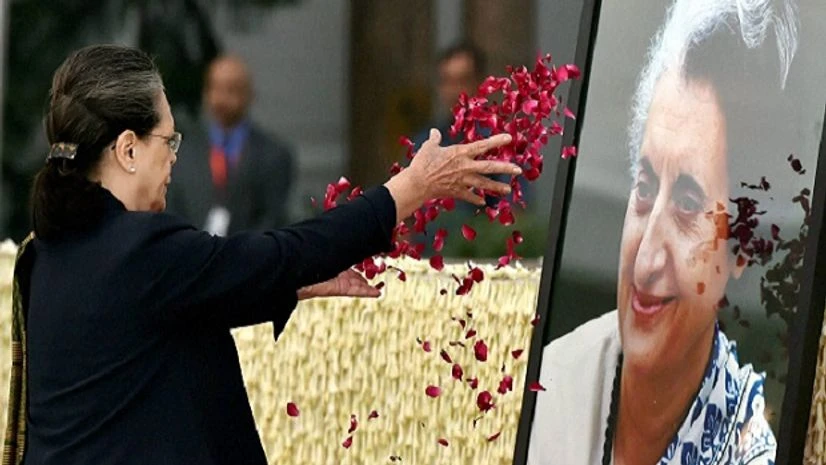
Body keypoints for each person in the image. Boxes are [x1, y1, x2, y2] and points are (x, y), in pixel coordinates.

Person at [2, 44, 520, 465]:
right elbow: (281, 254)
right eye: (168, 140)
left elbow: (177, 310)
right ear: (128, 149)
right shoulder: (141, 252)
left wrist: (285, 284)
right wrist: (413, 186)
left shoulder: (49, 252)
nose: (174, 157)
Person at [527, 0, 799, 463]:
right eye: (645, 187)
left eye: (689, 204)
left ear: (743, 247)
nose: (646, 259)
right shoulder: (554, 387)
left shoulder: (749, 453)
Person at [166, 54, 295, 236]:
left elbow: (272, 219)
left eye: (231, 89)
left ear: (249, 94)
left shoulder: (274, 155)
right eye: (215, 88)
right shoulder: (182, 153)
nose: (221, 98)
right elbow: (173, 213)